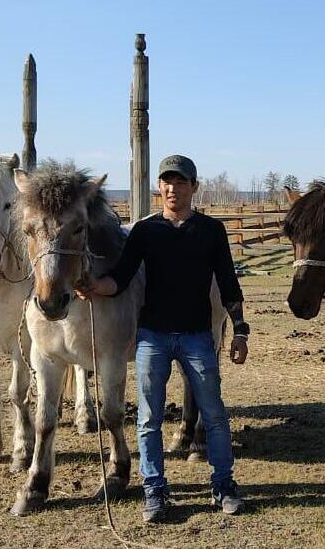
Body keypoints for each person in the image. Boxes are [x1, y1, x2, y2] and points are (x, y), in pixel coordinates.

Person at [78, 154, 249, 523]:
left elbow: (229, 285)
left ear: (194, 187)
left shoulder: (211, 231)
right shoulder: (145, 230)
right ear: (159, 188)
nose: (173, 188)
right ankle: (155, 493)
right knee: (149, 419)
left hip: (197, 338)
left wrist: (240, 330)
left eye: (181, 182)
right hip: (152, 337)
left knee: (215, 416)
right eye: (166, 182)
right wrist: (95, 287)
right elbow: (120, 279)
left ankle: (224, 486)